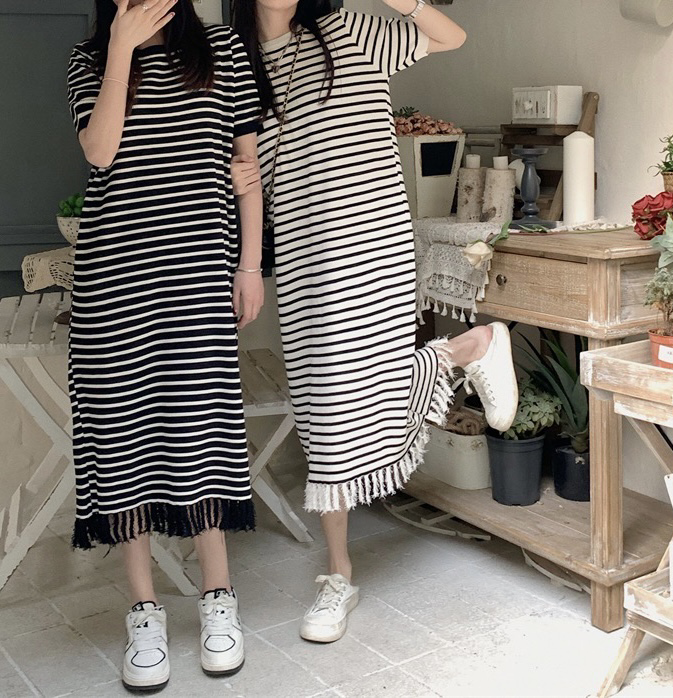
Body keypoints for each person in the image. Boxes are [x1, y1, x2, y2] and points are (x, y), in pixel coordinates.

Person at [231, 0, 518, 645]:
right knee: (320, 405)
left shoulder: (351, 31)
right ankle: (471, 347)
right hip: (302, 255)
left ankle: (338, 574)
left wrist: (408, 2)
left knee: (363, 384)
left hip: (372, 241)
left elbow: (452, 35)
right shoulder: (235, 58)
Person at [66, 0, 263, 689]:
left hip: (198, 278)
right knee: (121, 436)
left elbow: (246, 163)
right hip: (113, 281)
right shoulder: (90, 59)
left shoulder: (222, 51)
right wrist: (120, 49)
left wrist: (249, 266)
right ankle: (143, 611)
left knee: (202, 431)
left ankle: (218, 598)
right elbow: (100, 151)